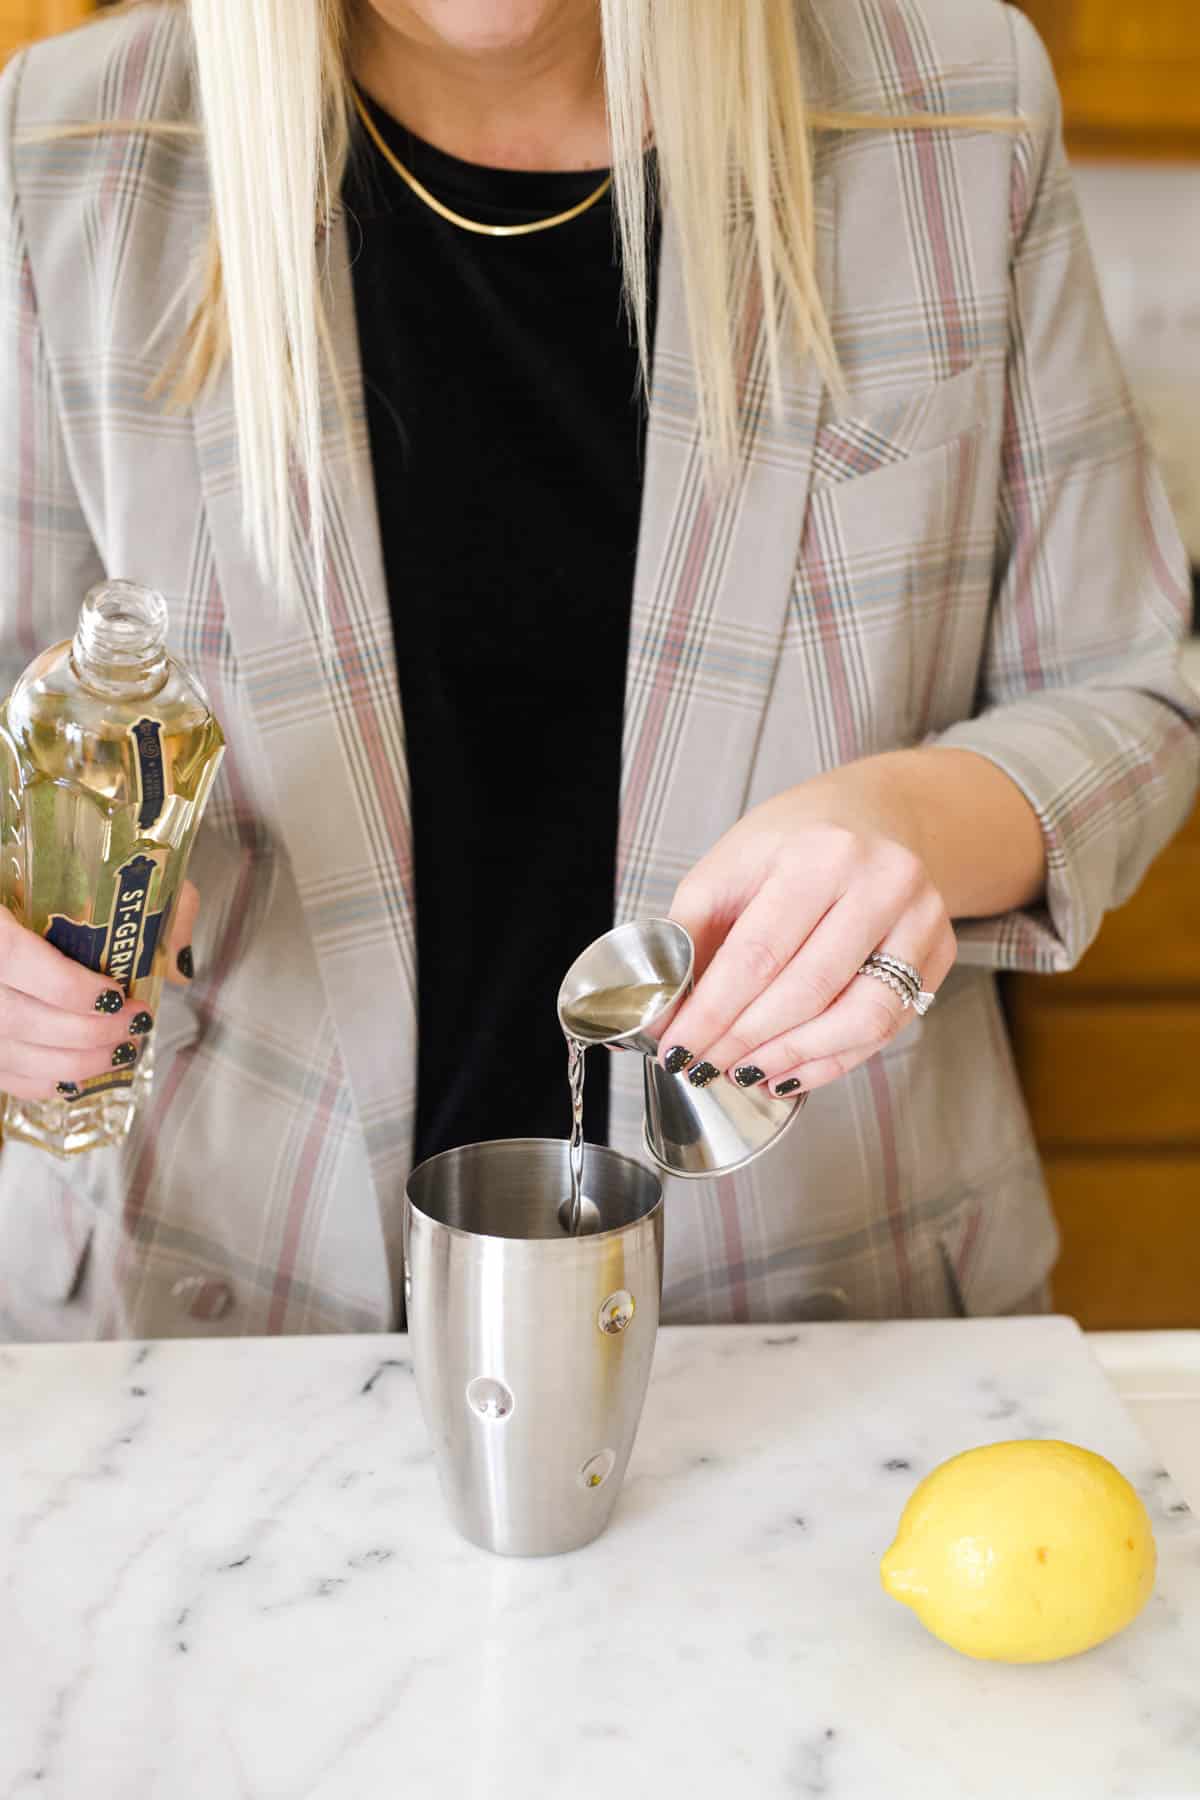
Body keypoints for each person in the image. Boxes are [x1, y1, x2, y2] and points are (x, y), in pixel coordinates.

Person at [0, 0, 1195, 1341]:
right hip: (222, 1323)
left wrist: (909, 823)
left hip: (823, 1312)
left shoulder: (954, 105)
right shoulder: (68, 141)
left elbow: (1130, 685)